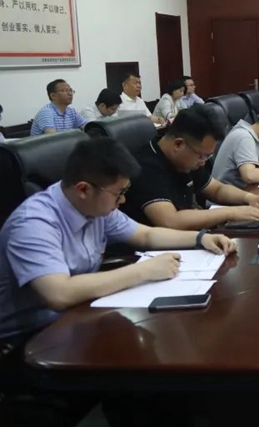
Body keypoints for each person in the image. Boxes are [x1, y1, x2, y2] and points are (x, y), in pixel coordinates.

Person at [0, 137, 236, 344]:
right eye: (119, 193)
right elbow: (59, 294)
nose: (122, 201)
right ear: (83, 189)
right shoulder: (34, 223)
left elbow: (146, 235)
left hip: (80, 315)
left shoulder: (93, 206)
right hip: (31, 339)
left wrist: (201, 238)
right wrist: (144, 271)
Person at [121, 105, 259, 229]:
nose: (203, 162)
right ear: (178, 144)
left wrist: (250, 198)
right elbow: (170, 221)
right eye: (202, 156)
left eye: (207, 157)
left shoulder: (187, 158)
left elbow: (217, 189)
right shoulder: (145, 166)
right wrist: (231, 212)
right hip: (151, 253)